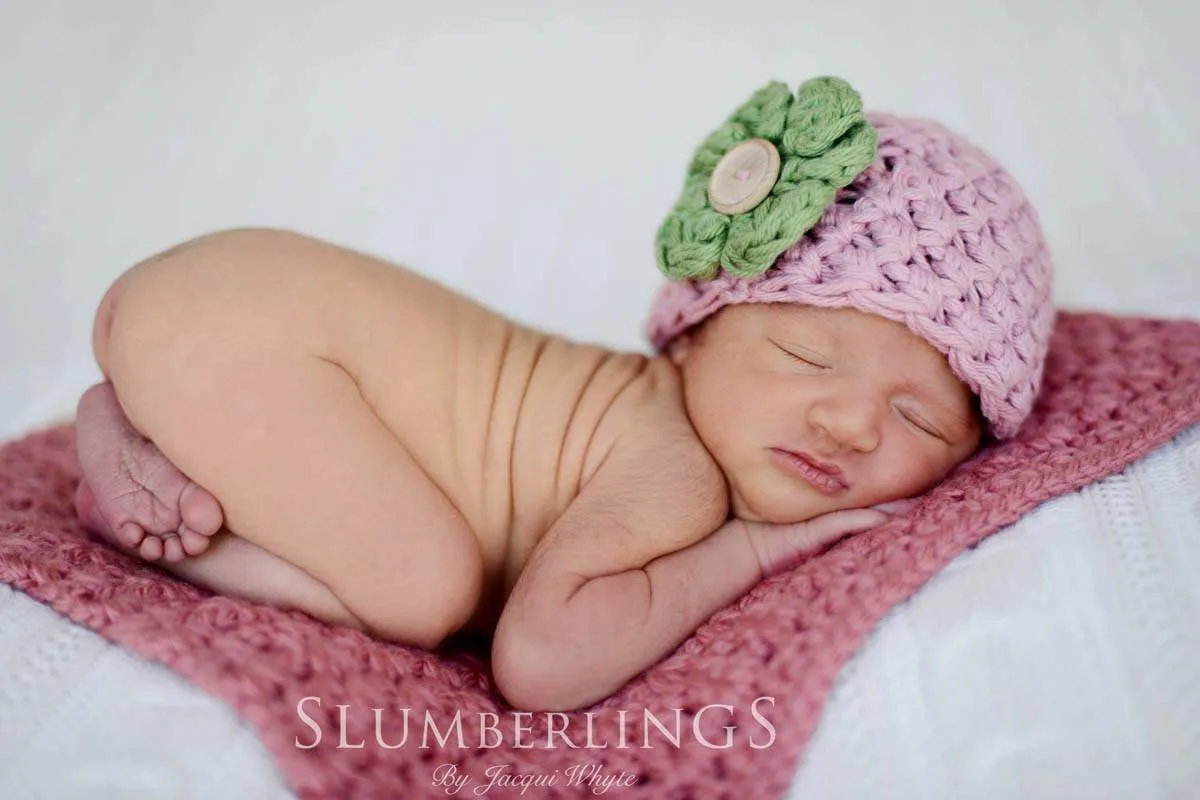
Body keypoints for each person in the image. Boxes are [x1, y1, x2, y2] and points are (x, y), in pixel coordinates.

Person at [71, 77, 1054, 712]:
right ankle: (162, 509)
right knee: (423, 587)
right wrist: (749, 547)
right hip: (240, 319)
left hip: (229, 303)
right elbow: (540, 662)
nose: (849, 420)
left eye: (919, 415)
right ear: (694, 337)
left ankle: (159, 415)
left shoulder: (652, 426)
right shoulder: (675, 470)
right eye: (805, 351)